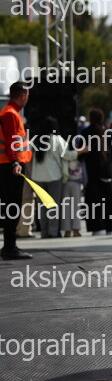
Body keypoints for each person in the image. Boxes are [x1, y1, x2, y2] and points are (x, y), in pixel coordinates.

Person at [31, 116, 85, 238]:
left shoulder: (36, 140)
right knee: (53, 206)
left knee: (42, 207)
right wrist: (80, 151)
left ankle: (44, 232)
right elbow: (66, 155)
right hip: (54, 176)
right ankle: (53, 231)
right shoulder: (57, 139)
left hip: (37, 177)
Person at [0, 82, 33, 259]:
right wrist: (14, 163)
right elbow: (11, 140)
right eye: (28, 94)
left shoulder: (10, 112)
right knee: (12, 206)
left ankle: (9, 246)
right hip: (11, 166)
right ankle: (9, 247)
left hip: (9, 164)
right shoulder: (11, 114)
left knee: (11, 206)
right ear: (23, 95)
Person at [81, 108, 112, 236]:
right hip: (107, 172)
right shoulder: (108, 133)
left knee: (94, 201)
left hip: (92, 172)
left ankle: (97, 227)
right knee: (108, 200)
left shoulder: (85, 132)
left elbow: (82, 153)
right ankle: (109, 227)